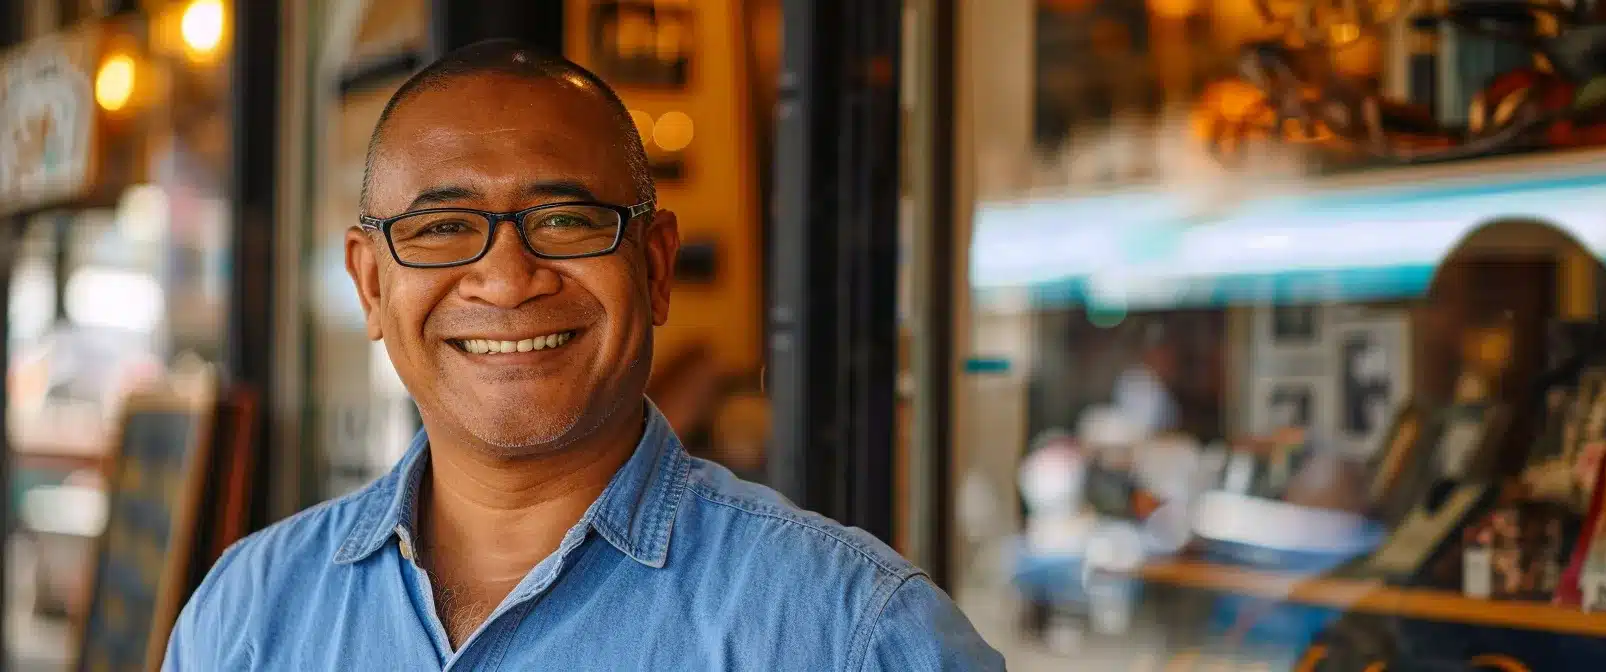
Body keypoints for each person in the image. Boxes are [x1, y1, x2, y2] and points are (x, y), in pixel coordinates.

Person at [164, 40, 1002, 671]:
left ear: (656, 266)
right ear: (372, 286)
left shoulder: (853, 634)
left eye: (565, 221)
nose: (504, 278)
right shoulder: (248, 611)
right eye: (443, 227)